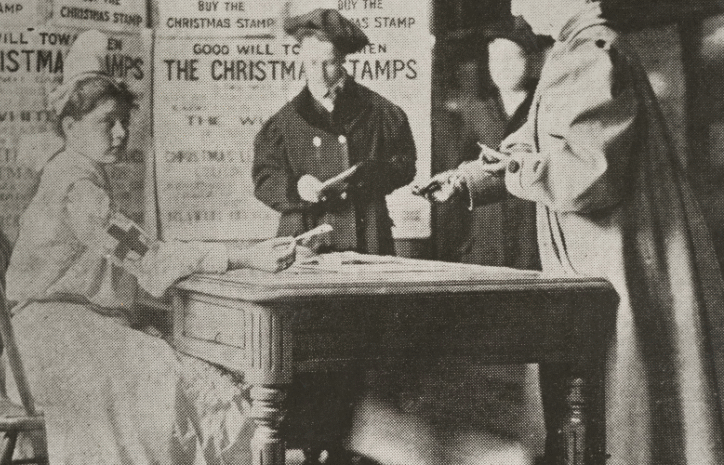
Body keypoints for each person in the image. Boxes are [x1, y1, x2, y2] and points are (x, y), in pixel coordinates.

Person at [418, 1, 724, 464]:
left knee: (627, 402)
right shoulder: (575, 49)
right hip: (604, 254)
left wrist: (517, 169)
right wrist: (469, 179)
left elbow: (589, 175)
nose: (518, 5)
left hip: (614, 258)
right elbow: (540, 143)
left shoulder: (591, 51)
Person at [5, 30, 297, 465]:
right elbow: (151, 259)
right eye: (108, 122)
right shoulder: (77, 189)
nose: (121, 132)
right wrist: (246, 255)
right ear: (70, 126)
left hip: (43, 336)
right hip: (51, 344)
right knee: (163, 372)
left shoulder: (69, 173)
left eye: (124, 120)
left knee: (163, 364)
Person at [252, 8, 417, 255]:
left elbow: (405, 166)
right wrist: (297, 187)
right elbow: (264, 179)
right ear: (301, 57)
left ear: (341, 60)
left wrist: (373, 174)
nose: (318, 74)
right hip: (306, 238)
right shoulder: (282, 122)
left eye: (328, 64)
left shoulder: (381, 112)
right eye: (311, 63)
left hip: (366, 236)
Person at [435, 19, 542, 270]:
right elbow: (458, 171)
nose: (502, 67)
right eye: (495, 59)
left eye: (512, 58)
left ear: (531, 61)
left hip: (532, 238)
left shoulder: (544, 110)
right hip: (486, 239)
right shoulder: (476, 112)